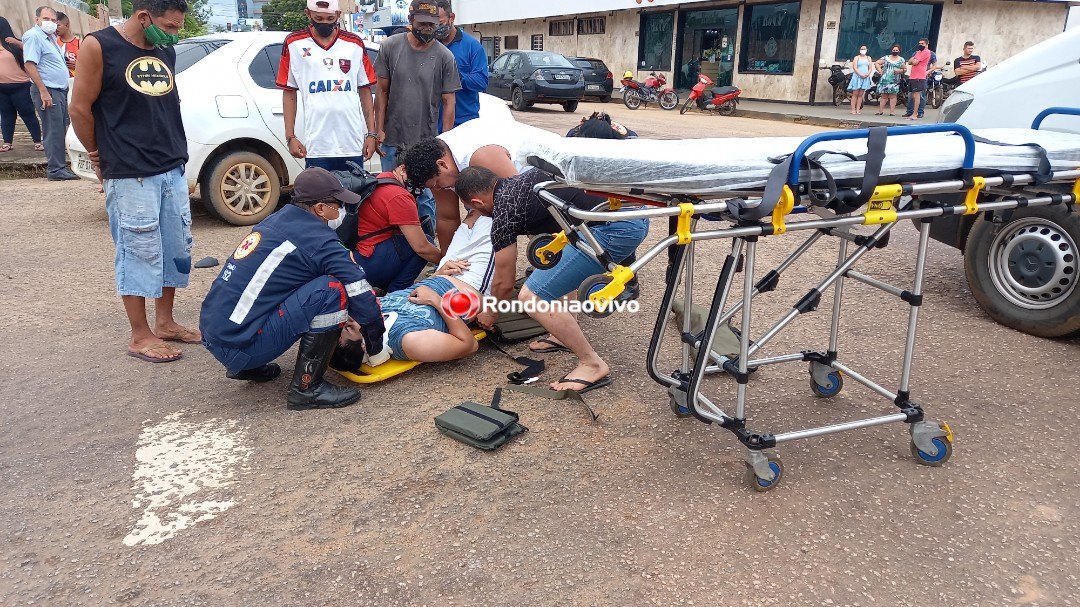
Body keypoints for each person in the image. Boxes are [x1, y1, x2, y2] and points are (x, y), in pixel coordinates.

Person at [70, 0, 198, 363]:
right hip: (129, 171)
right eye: (170, 27)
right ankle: (140, 335)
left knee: (176, 247)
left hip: (170, 166)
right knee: (137, 249)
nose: (175, 34)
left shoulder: (164, 51)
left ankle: (166, 322)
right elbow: (80, 108)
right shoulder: (99, 46)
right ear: (144, 17)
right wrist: (97, 155)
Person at [200, 168, 386, 410]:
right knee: (331, 289)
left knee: (283, 284)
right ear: (320, 208)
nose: (341, 211)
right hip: (240, 345)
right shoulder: (321, 241)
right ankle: (307, 388)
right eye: (338, 204)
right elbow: (359, 290)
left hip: (215, 333)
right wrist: (375, 344)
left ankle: (248, 366)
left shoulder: (276, 221)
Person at [454, 166, 648, 394]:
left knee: (531, 296)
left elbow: (503, 283)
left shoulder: (504, 213)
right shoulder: (525, 179)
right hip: (631, 213)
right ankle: (564, 330)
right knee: (559, 262)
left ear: (477, 203)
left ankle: (592, 364)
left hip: (617, 229)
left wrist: (490, 312)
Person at [332, 208, 493, 368]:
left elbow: (416, 294)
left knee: (475, 213)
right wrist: (437, 301)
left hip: (448, 270)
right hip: (472, 284)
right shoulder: (408, 340)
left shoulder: (373, 313)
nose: (350, 319)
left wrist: (438, 273)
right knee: (493, 214)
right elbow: (469, 345)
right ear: (364, 345)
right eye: (350, 327)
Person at [373, 0, 460, 238]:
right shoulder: (391, 47)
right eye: (422, 24)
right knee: (389, 192)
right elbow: (381, 92)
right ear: (410, 21)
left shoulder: (444, 56)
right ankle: (390, 243)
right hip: (392, 138)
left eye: (432, 25)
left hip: (424, 140)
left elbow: (448, 102)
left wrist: (444, 142)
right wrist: (377, 130)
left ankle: (428, 244)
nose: (427, 29)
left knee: (423, 198)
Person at [276, 0, 378, 172]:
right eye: (319, 18)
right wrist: (290, 136)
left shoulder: (354, 43)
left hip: (351, 144)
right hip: (317, 146)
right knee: (320, 197)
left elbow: (365, 90)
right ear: (308, 14)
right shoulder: (294, 43)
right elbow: (289, 92)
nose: (324, 23)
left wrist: (371, 134)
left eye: (330, 18)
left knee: (353, 197)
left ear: (338, 15)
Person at [352, 162, 442, 292]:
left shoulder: (381, 178)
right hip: (368, 262)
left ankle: (386, 283)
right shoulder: (399, 196)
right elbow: (422, 248)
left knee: (405, 240)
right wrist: (445, 261)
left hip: (357, 256)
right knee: (425, 242)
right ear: (402, 168)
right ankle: (398, 290)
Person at [22, 6, 78, 180]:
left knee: (60, 129)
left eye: (54, 21)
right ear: (37, 19)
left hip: (58, 90)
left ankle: (59, 166)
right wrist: (43, 91)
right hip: (48, 91)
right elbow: (30, 64)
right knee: (53, 130)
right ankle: (55, 169)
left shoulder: (50, 38)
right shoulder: (34, 36)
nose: (51, 23)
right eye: (47, 19)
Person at [434, 0, 487, 130]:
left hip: (463, 124)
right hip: (433, 124)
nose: (436, 28)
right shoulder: (429, 45)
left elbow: (481, 82)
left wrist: (455, 75)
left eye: (440, 23)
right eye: (432, 24)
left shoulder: (472, 46)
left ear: (451, 17)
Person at [0, 17, 43, 154]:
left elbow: (32, 52)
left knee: (28, 114)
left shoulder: (13, 43)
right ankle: (7, 142)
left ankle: (37, 141)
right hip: (2, 87)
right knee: (6, 115)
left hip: (21, 86)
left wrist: (18, 43)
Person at [903, 38, 932, 120]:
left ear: (926, 44)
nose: (920, 45)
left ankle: (915, 114)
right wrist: (913, 60)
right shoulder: (918, 52)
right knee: (912, 95)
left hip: (919, 77)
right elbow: (909, 62)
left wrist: (914, 60)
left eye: (922, 43)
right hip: (913, 76)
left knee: (917, 96)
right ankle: (912, 113)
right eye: (919, 43)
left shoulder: (926, 52)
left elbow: (915, 62)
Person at [874, 44, 904, 116]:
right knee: (884, 96)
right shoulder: (886, 58)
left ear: (899, 51)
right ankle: (880, 111)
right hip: (885, 79)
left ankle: (892, 112)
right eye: (894, 50)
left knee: (893, 96)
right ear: (891, 50)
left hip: (894, 80)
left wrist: (899, 71)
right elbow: (877, 63)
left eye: (896, 50)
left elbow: (904, 69)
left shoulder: (901, 59)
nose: (895, 51)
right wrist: (880, 71)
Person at [847, 44, 875, 115]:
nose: (863, 50)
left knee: (860, 94)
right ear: (859, 50)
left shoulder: (868, 58)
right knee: (855, 94)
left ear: (866, 50)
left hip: (865, 77)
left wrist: (868, 74)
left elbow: (870, 67)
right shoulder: (857, 57)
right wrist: (860, 74)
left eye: (864, 49)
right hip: (857, 77)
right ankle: (853, 109)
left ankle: (858, 109)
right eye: (862, 49)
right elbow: (855, 67)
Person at [54, 12, 79, 77]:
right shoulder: (53, 42)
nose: (55, 28)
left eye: (58, 25)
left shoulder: (80, 43)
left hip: (75, 81)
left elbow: (90, 64)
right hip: (58, 82)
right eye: (54, 26)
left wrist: (79, 66)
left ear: (67, 25)